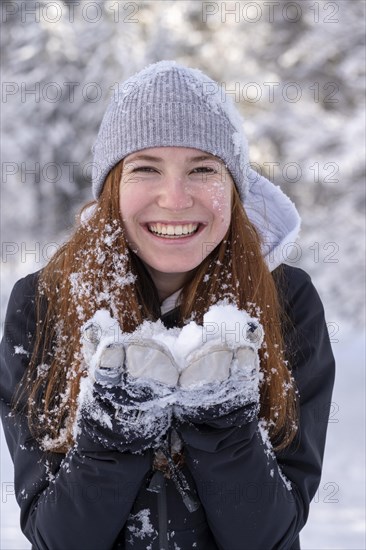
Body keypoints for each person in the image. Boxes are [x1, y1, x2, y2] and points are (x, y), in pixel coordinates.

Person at [0, 60, 335, 550]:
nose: (175, 199)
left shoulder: (287, 301)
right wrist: (118, 423)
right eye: (145, 168)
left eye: (203, 169)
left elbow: (270, 537)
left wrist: (221, 419)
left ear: (235, 186)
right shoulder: (44, 303)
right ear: (112, 186)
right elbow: (58, 538)